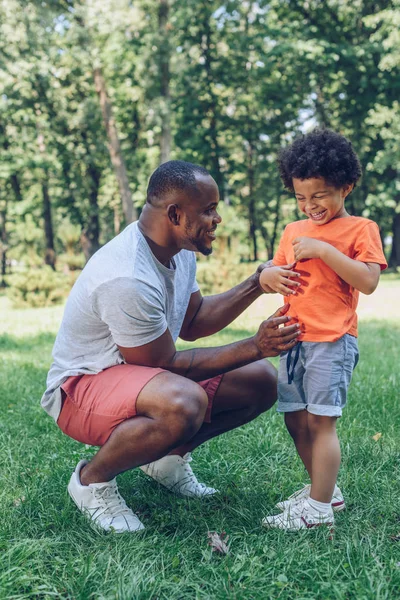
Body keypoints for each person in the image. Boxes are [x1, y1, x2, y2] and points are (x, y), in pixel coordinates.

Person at [42, 160, 301, 534]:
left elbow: (193, 320)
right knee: (184, 401)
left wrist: (256, 283)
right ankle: (91, 481)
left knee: (261, 380)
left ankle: (167, 459)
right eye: (209, 210)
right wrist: (256, 345)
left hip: (140, 377)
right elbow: (166, 365)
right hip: (80, 390)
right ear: (175, 214)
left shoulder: (176, 250)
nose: (218, 219)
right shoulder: (128, 276)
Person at [259, 129, 387, 531]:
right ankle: (325, 492)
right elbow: (270, 270)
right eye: (300, 197)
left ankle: (316, 511)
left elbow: (367, 282)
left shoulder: (360, 229)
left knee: (321, 422)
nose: (309, 206)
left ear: (345, 187)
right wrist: (269, 276)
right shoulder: (293, 231)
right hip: (294, 339)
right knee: (295, 420)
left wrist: (326, 251)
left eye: (319, 196)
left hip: (332, 341)